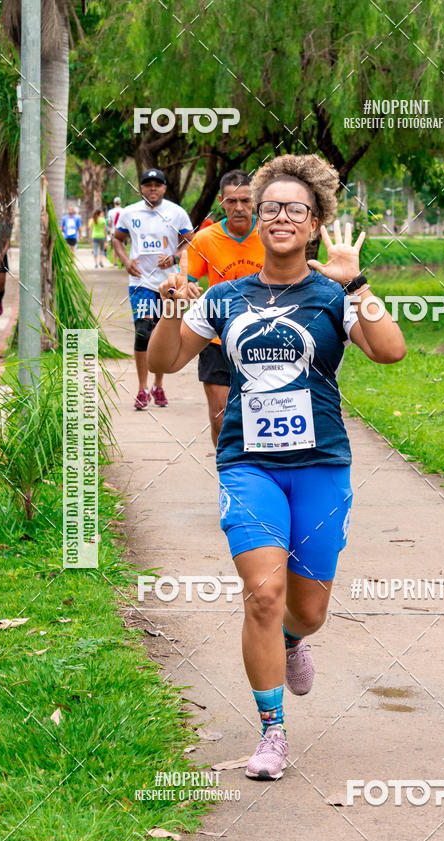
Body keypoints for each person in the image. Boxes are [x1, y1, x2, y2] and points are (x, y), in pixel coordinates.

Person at [148, 154, 406, 780]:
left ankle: (294, 643)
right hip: (247, 464)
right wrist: (168, 308)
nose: (281, 217)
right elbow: (166, 363)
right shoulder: (225, 296)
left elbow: (391, 352)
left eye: (296, 209)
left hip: (320, 465)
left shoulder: (333, 294)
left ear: (316, 223)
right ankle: (271, 733)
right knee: (263, 594)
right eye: (271, 209)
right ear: (256, 219)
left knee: (306, 610)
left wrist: (358, 286)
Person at [186, 170, 265, 446]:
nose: (239, 208)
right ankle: (227, 479)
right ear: (221, 202)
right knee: (221, 418)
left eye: (245, 200)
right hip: (218, 340)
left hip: (263, 338)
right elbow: (188, 281)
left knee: (261, 417)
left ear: (255, 200)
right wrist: (186, 290)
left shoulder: (270, 233)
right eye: (232, 201)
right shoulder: (205, 239)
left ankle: (256, 476)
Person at [113, 168, 194, 410]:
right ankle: (141, 388)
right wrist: (126, 262)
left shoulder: (176, 212)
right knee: (143, 331)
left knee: (162, 333)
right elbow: (117, 239)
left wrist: (174, 257)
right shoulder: (129, 213)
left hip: (168, 284)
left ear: (164, 188)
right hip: (141, 283)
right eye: (148, 185)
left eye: (157, 185)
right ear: (141, 188)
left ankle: (158, 385)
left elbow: (190, 240)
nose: (153, 189)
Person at [0, 212, 12, 316]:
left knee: (0, 284)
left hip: (0, 258)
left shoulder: (3, 225)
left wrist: (2, 255)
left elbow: (8, 242)